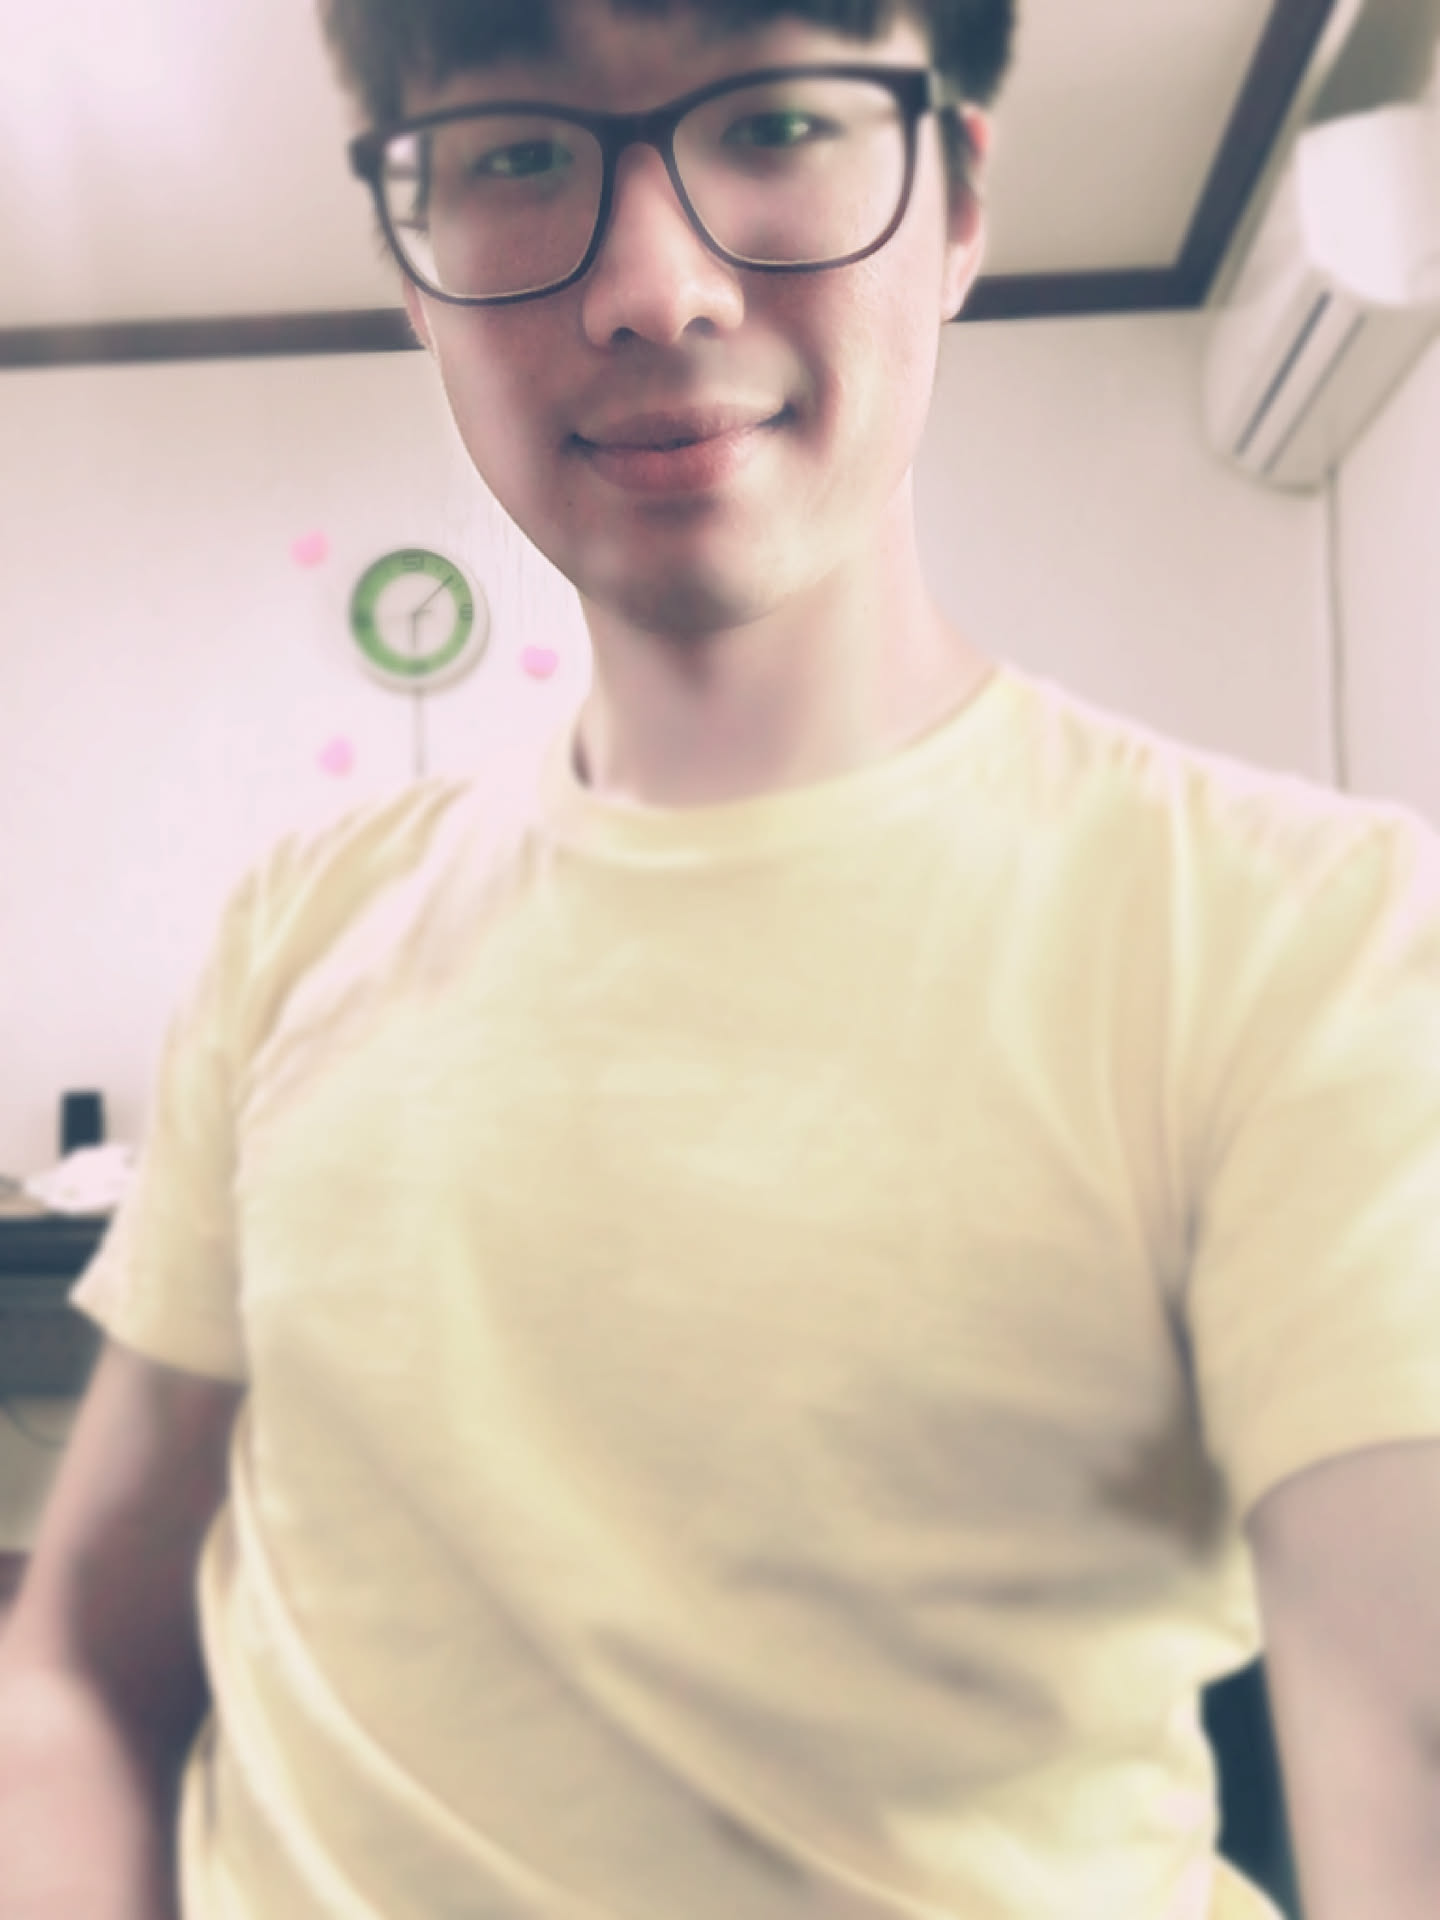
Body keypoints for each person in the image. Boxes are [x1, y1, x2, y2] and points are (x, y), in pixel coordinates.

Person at [3, 2, 1440, 1916]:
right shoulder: (296, 927)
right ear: (415, 274)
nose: (652, 288)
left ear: (956, 203)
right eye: (519, 154)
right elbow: (79, 1670)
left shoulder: (1306, 937)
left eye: (775, 121)